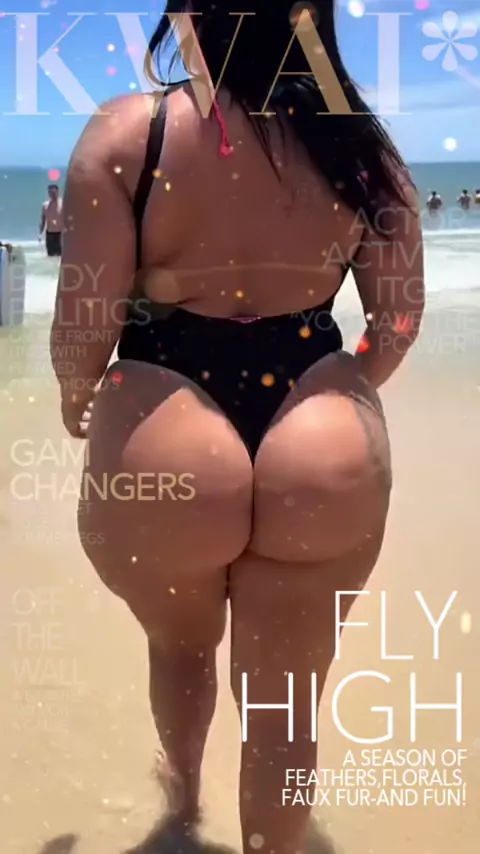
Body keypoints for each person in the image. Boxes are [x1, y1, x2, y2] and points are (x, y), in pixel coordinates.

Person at [50, 3, 424, 852]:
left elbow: (84, 323)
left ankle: (183, 808)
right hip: (319, 424)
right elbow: (398, 319)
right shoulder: (358, 145)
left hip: (167, 420)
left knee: (180, 649)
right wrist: (341, 390)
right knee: (286, 703)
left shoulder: (129, 134)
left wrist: (79, 401)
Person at [39, 183, 63, 256]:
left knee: (60, 254)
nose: (52, 194)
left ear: (58, 192)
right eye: (50, 192)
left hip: (60, 233)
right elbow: (43, 220)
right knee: (50, 255)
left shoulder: (63, 203)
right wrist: (40, 234)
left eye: (54, 192)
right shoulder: (45, 205)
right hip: (50, 233)